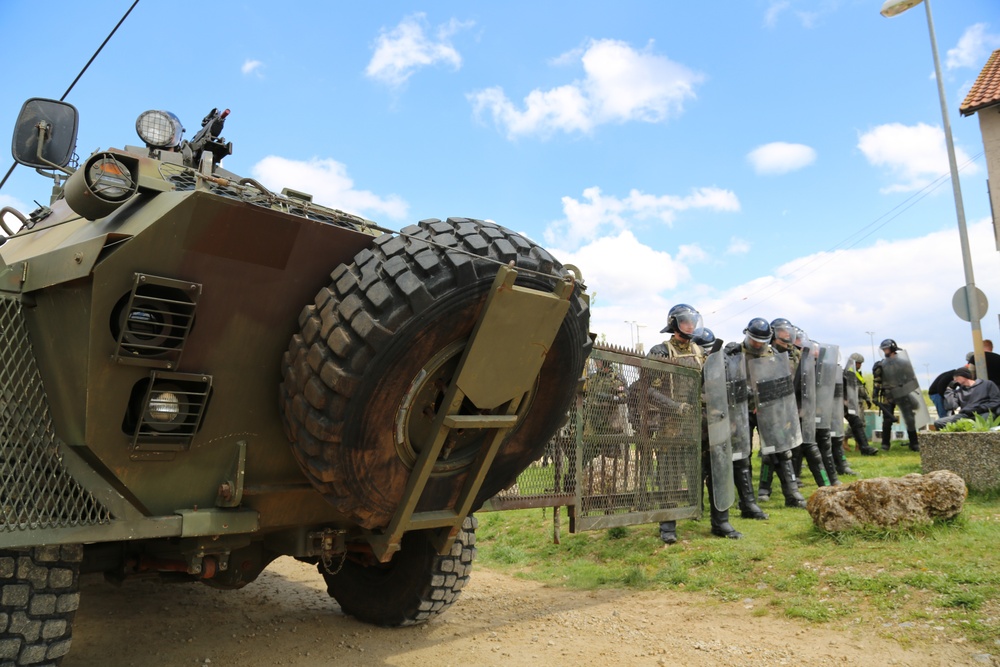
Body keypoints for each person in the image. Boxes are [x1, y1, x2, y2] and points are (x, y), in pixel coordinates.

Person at [648, 304, 741, 544]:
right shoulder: (660, 351)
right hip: (673, 425)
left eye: (693, 320)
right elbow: (645, 390)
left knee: (716, 471)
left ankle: (721, 522)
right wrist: (675, 406)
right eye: (685, 321)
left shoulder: (701, 351)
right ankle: (667, 527)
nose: (690, 325)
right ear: (674, 324)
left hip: (704, 423)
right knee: (669, 476)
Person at [739, 317, 807, 509]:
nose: (757, 344)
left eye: (762, 341)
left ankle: (791, 493)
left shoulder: (774, 354)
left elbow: (780, 384)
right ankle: (747, 499)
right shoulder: (736, 353)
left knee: (781, 450)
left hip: (768, 409)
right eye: (754, 340)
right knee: (743, 454)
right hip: (743, 409)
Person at [872, 338, 921, 452]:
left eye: (887, 348)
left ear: (893, 348)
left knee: (909, 418)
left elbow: (911, 379)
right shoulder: (880, 365)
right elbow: (877, 381)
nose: (885, 351)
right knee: (887, 420)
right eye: (883, 349)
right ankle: (885, 444)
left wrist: (905, 387)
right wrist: (875, 394)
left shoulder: (903, 363)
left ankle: (914, 443)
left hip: (902, 393)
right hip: (888, 395)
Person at [932, 367, 1000, 430]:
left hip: (983, 412)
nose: (955, 380)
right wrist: (949, 390)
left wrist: (980, 408)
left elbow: (996, 401)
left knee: (985, 419)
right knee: (939, 422)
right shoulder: (959, 391)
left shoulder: (987, 384)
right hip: (966, 415)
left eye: (956, 377)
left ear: (964, 376)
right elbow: (951, 406)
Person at [844, 353, 879, 456]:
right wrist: (867, 398)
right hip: (853, 402)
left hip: (858, 401)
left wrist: (867, 399)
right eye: (859, 363)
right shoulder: (850, 373)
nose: (860, 365)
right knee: (856, 423)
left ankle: (860, 445)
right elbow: (858, 389)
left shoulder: (856, 372)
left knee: (861, 423)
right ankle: (846, 441)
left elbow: (861, 388)